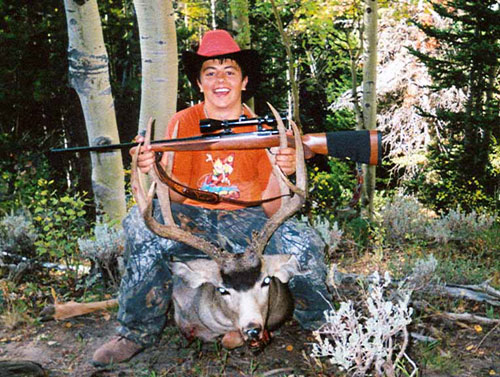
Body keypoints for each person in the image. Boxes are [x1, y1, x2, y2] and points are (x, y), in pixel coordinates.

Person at [92, 29, 331, 366]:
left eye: (229, 72)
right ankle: (135, 332)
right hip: (196, 222)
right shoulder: (181, 125)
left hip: (249, 223)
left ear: (244, 81)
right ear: (200, 83)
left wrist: (285, 169)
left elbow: (274, 208)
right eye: (210, 73)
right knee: (141, 224)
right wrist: (156, 169)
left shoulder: (264, 130)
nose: (220, 80)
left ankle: (326, 327)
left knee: (304, 243)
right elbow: (173, 198)